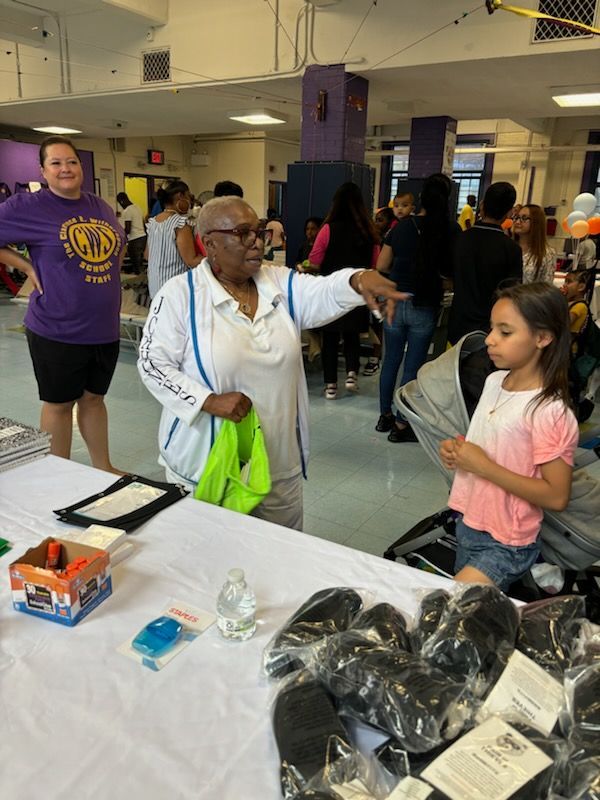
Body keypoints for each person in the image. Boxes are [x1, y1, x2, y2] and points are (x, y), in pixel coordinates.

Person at [136, 196, 403, 530]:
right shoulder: (181, 295)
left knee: (281, 553)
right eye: (242, 232)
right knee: (210, 556)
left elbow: (322, 291)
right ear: (210, 244)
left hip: (278, 459)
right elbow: (152, 362)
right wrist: (208, 400)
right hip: (207, 464)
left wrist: (359, 279)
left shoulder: (276, 281)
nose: (256, 241)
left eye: (259, 231)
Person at [440, 282, 578, 592]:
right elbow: (493, 445)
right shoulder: (494, 382)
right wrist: (456, 450)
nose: (489, 339)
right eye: (491, 329)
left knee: (448, 603)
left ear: (542, 338)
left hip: (506, 542)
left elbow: (556, 496)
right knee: (467, 620)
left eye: (505, 332)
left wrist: (483, 466)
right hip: (469, 523)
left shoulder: (549, 411)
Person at [0, 135, 125, 472]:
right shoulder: (29, 206)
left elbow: (117, 246)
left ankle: (103, 467)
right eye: (56, 163)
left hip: (103, 327)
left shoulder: (98, 206)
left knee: (94, 400)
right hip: (57, 326)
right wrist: (26, 265)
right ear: (43, 171)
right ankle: (59, 477)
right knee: (59, 404)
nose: (65, 168)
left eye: (71, 161)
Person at [376, 174, 461, 442]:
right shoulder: (451, 229)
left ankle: (384, 415)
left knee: (390, 360)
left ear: (421, 198)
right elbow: (451, 273)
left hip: (394, 300)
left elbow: (381, 266)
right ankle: (402, 423)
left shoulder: (400, 227)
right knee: (413, 365)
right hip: (425, 304)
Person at [308, 182, 380, 399]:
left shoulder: (328, 229)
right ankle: (351, 374)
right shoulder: (369, 231)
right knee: (352, 336)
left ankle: (331, 386)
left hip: (331, 292)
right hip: (357, 292)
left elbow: (314, 260)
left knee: (330, 338)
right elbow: (375, 265)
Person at [448, 182, 522, 345]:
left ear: (482, 206)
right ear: (509, 212)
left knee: (454, 368)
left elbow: (448, 274)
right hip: (491, 328)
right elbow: (512, 292)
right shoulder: (511, 249)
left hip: (458, 322)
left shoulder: (460, 239)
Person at [146, 180, 203, 298]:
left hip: (155, 288)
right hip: (174, 289)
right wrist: (214, 258)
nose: (190, 203)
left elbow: (147, 255)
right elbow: (191, 260)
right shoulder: (180, 223)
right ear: (180, 196)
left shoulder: (153, 222)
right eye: (188, 197)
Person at [512, 204, 556, 284]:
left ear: (536, 222)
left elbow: (546, 286)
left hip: (530, 295)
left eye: (524, 218)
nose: (518, 222)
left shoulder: (547, 253)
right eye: (517, 217)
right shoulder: (509, 247)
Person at [116, 192, 146, 275]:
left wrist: (120, 235)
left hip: (134, 239)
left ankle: (140, 282)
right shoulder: (138, 207)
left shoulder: (127, 211)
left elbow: (128, 229)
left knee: (136, 265)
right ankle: (143, 280)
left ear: (121, 201)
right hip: (143, 237)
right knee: (140, 263)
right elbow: (144, 225)